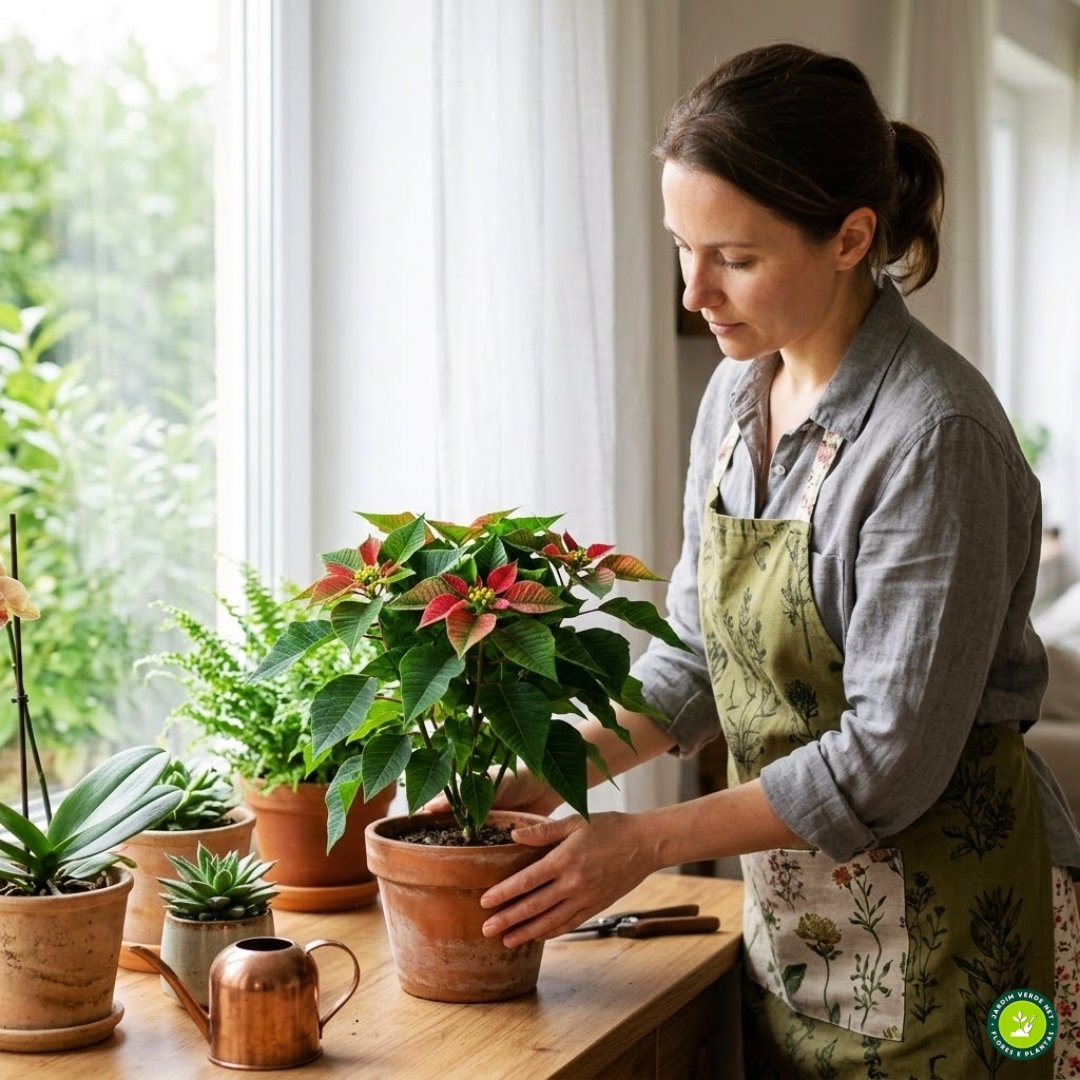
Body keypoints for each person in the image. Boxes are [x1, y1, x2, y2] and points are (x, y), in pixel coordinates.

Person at [471, 43, 1080, 1077]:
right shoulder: (737, 394)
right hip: (798, 932)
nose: (694, 291)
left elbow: (887, 760)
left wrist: (645, 841)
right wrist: (545, 775)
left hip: (960, 943)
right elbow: (696, 660)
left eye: (735, 258)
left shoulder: (934, 439)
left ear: (851, 238)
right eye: (683, 248)